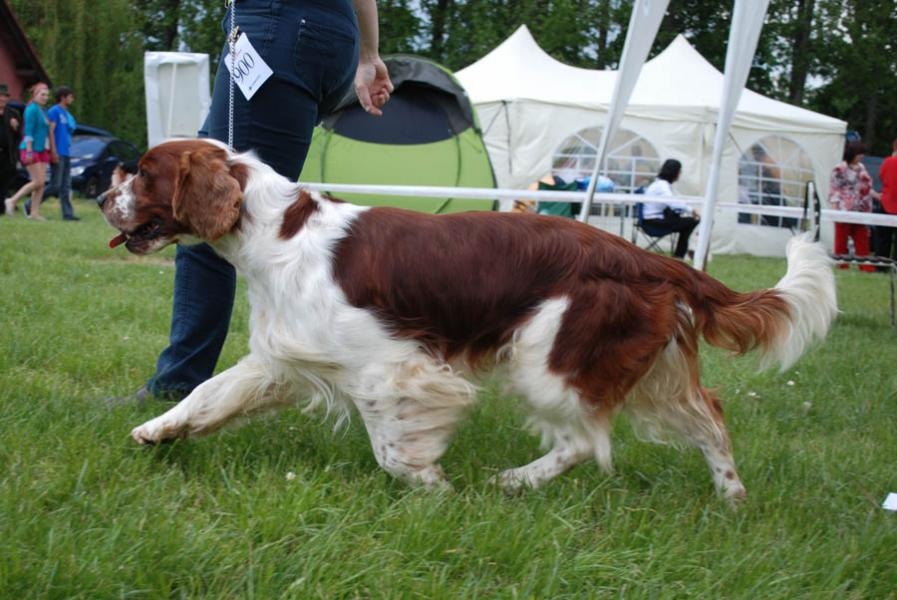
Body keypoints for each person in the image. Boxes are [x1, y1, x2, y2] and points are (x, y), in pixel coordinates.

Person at [116, 0, 393, 404]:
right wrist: (368, 54)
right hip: (328, 33)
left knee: (206, 216)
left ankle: (182, 385)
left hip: (274, 30)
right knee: (263, 218)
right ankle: (300, 364)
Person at [4, 82, 53, 220]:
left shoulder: (42, 110)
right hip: (30, 148)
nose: (45, 97)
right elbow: (28, 132)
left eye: (47, 95)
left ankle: (34, 212)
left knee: (41, 183)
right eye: (42, 94)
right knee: (37, 181)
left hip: (42, 149)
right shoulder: (31, 109)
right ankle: (12, 200)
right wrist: (30, 151)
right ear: (35, 95)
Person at [829, 141, 879, 272]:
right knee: (841, 240)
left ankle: (866, 267)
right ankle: (842, 265)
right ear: (852, 154)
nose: (862, 156)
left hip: (861, 209)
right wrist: (835, 211)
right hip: (844, 209)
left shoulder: (862, 168)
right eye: (859, 153)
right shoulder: (839, 169)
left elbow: (867, 188)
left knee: (862, 238)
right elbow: (834, 189)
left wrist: (877, 196)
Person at [641, 158, 699, 259]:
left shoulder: (659, 184)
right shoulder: (663, 186)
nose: (680, 174)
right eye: (679, 171)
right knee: (692, 222)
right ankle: (679, 255)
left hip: (652, 220)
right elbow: (673, 203)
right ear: (675, 172)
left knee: (687, 222)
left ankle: (682, 253)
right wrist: (692, 210)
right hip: (653, 223)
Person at [43, 85, 80, 221]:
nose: (72, 99)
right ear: (63, 97)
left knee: (66, 186)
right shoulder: (54, 111)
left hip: (66, 152)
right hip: (58, 151)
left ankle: (68, 214)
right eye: (70, 96)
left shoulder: (66, 113)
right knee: (55, 185)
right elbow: (51, 131)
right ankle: (30, 205)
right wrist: (53, 151)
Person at [875, 138, 897, 263]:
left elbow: (882, 177)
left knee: (883, 237)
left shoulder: (888, 162)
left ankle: (881, 263)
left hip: (886, 202)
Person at [0, 83, 23, 205]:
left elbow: (19, 136)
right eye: (0, 96)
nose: (2, 99)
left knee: (4, 181)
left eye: (5, 97)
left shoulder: (13, 114)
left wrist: (16, 128)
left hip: (7, 153)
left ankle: (2, 208)